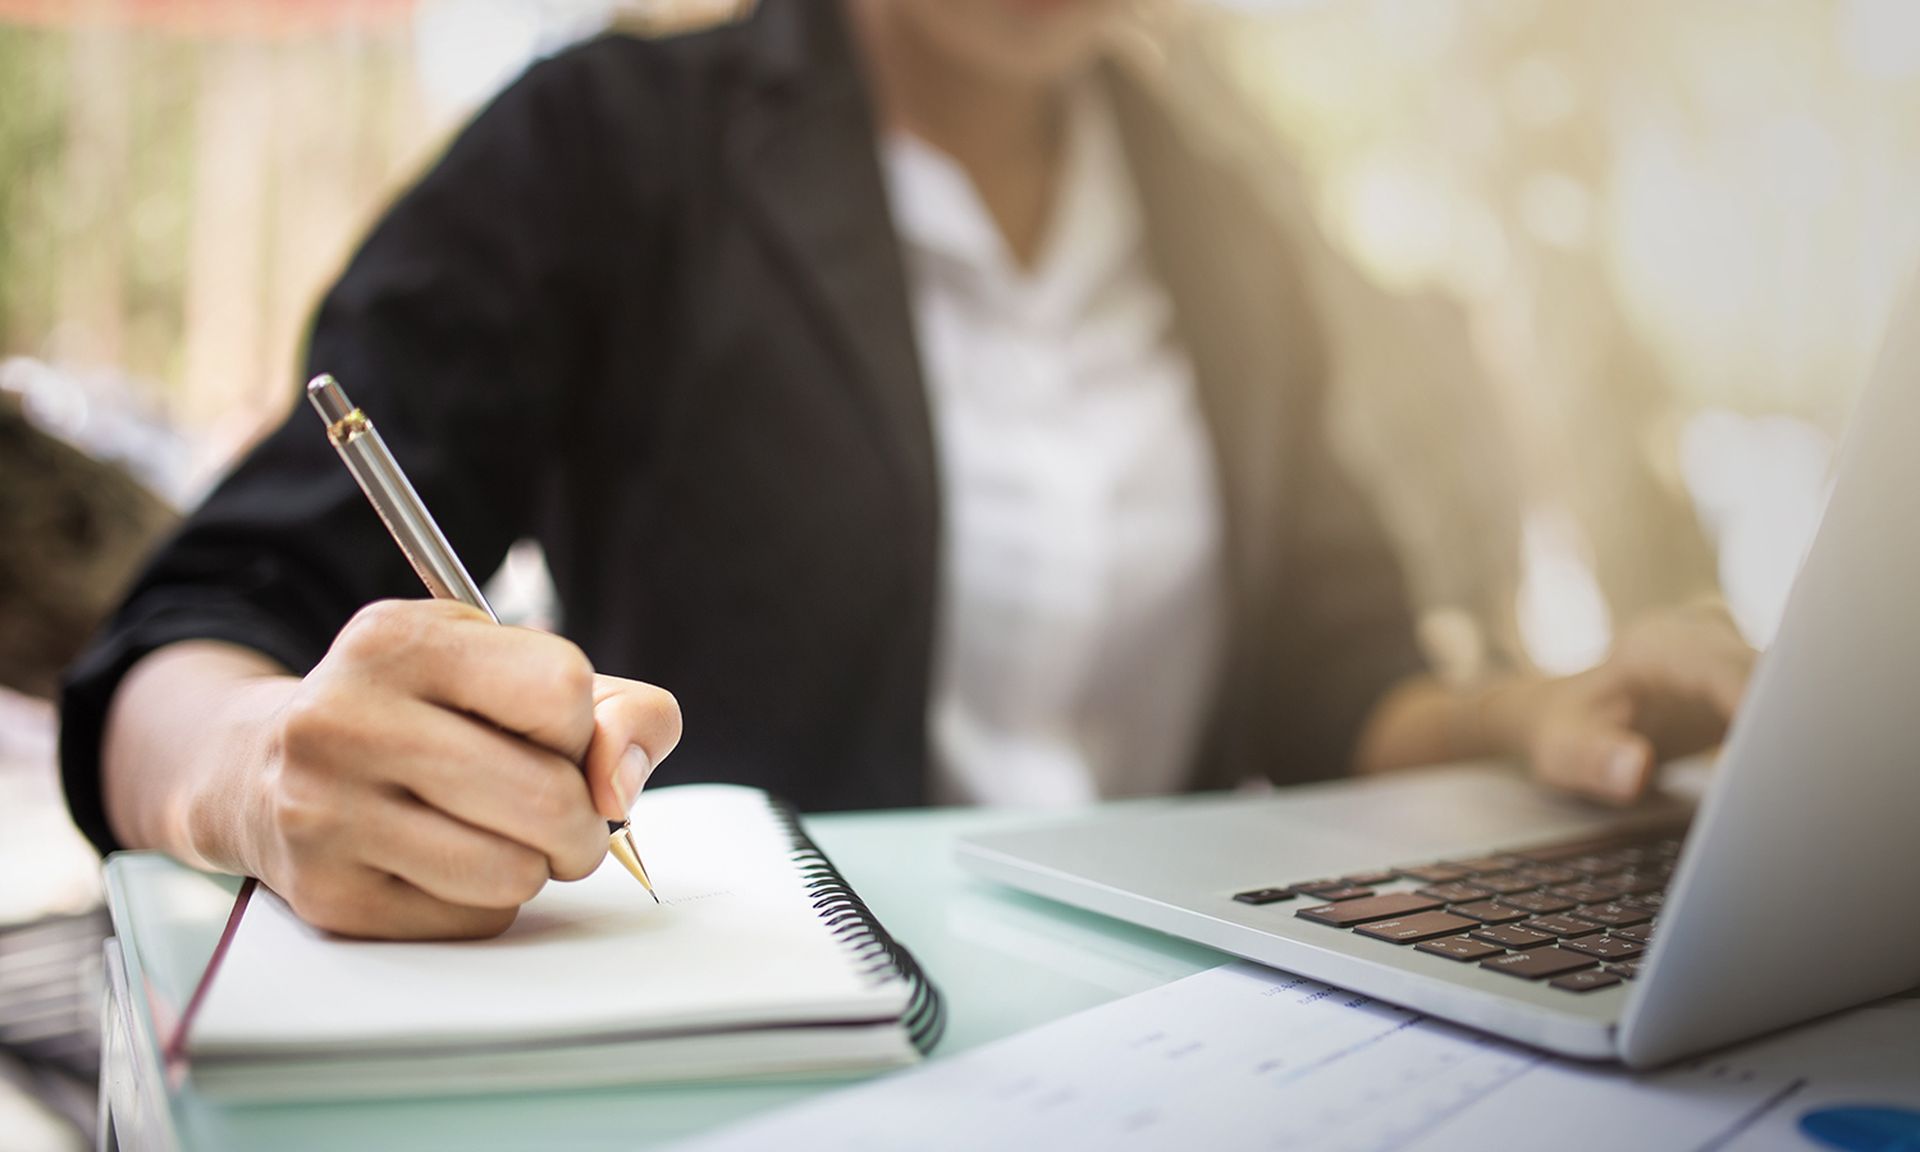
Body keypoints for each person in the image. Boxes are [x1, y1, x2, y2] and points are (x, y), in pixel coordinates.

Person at [60, 0, 1755, 941]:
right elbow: (190, 636)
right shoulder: (606, 147)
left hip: (1184, 1027)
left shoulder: (1231, 216)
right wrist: (255, 772)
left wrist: (1540, 721)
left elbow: (1336, 681)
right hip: (758, 1030)